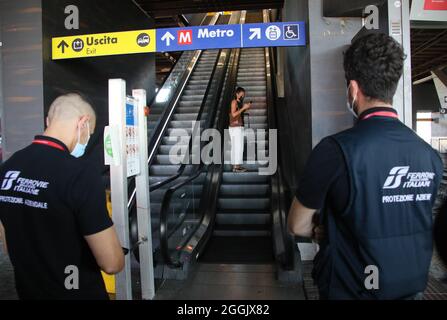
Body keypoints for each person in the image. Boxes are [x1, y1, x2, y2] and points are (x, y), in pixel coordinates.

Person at [287, 33, 444, 300]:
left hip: (352, 291)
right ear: (392, 87)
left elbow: (296, 224)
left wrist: (320, 230)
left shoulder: (334, 151)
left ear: (353, 90)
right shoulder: (429, 156)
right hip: (411, 290)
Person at [0, 93, 124, 300]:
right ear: (82, 123)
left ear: (48, 121)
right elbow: (111, 263)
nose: (87, 140)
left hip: (28, 291)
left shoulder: (9, 166)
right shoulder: (79, 173)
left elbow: (7, 238)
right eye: (90, 133)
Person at [229, 87, 251, 173]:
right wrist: (243, 108)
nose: (243, 96)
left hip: (239, 127)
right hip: (235, 128)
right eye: (241, 95)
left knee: (238, 147)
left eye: (243, 95)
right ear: (237, 94)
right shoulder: (234, 102)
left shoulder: (239, 103)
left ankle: (236, 166)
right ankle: (236, 167)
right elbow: (234, 114)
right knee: (237, 147)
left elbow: (239, 113)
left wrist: (246, 107)